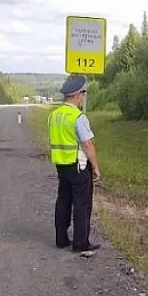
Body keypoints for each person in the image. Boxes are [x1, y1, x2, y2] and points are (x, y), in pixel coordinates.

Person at [48, 75, 102, 253]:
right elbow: (87, 144)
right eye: (83, 94)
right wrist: (95, 167)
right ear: (78, 95)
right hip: (78, 166)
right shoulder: (78, 117)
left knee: (63, 201)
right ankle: (80, 243)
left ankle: (61, 239)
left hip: (61, 165)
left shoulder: (54, 116)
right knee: (82, 204)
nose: (83, 98)